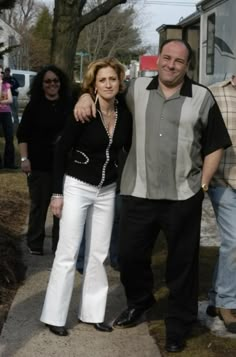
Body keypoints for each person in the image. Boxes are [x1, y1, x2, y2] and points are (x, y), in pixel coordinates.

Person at [74, 39, 232, 353]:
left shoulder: (202, 97)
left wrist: (200, 186)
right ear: (158, 59)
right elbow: (103, 86)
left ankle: (178, 324)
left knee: (182, 266)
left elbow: (215, 144)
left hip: (183, 196)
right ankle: (140, 300)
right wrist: (83, 94)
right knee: (130, 257)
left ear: (188, 66)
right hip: (137, 192)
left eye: (179, 61)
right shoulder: (134, 90)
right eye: (166, 58)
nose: (171, 65)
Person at [40, 57, 132, 337]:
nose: (108, 84)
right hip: (77, 185)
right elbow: (60, 151)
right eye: (102, 80)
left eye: (112, 79)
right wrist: (57, 193)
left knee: (98, 253)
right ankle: (54, 315)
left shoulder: (124, 112)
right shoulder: (83, 111)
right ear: (94, 83)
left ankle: (93, 313)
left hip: (106, 190)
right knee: (68, 253)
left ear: (120, 82)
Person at [17, 65, 71, 255]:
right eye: (48, 81)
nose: (52, 84)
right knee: (39, 206)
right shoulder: (34, 106)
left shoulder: (68, 105)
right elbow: (22, 135)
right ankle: (35, 243)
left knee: (62, 209)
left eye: (55, 81)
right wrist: (24, 159)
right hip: (39, 164)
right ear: (42, 84)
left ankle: (59, 246)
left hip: (64, 165)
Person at [205, 75, 236, 333]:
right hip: (223, 182)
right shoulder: (214, 93)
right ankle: (227, 304)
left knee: (230, 243)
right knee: (235, 241)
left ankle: (215, 297)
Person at [0, 71, 16, 169]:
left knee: (9, 137)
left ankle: (9, 163)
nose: (1, 73)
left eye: (1, 72)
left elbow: (10, 100)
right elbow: (6, 98)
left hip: (6, 113)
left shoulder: (6, 85)